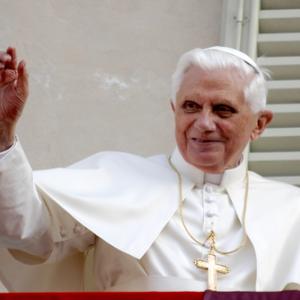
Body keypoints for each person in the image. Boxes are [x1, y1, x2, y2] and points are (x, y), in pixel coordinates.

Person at [0, 46, 300, 292]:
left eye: (223, 109)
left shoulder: (290, 210)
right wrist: (2, 134)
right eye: (191, 106)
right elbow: (27, 232)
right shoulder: (117, 179)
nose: (204, 123)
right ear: (175, 109)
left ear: (259, 124)